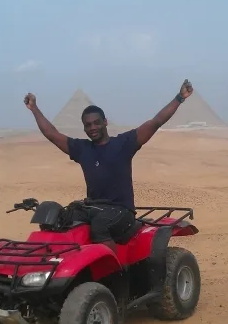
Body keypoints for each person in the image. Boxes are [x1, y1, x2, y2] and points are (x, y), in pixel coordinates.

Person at [23, 79, 194, 252]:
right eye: (88, 125)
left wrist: (180, 97)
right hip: (93, 207)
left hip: (122, 211)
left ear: (105, 122)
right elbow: (52, 134)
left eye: (96, 123)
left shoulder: (124, 143)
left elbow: (155, 122)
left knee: (99, 226)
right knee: (58, 219)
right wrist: (34, 108)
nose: (93, 128)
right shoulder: (82, 149)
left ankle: (114, 274)